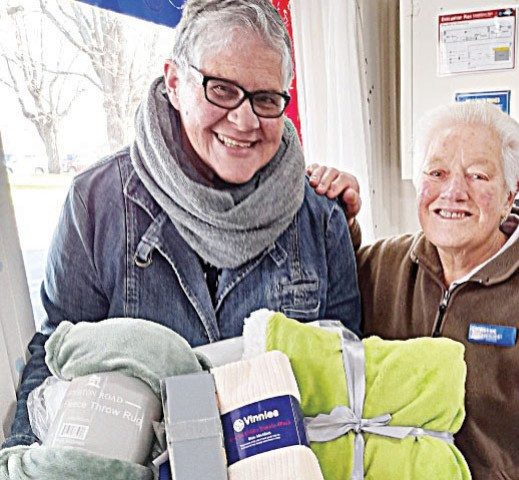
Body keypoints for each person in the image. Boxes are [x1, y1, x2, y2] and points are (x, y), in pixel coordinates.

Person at [4, 0, 360, 449]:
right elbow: (56, 355)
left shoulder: (322, 217)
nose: (245, 120)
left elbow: (347, 370)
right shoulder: (94, 204)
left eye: (267, 99)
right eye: (222, 90)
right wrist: (18, 458)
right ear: (174, 82)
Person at [308, 102, 519, 479]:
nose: (453, 192)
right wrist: (335, 219)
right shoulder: (383, 268)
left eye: (478, 176)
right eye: (437, 172)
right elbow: (320, 303)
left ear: (511, 195)